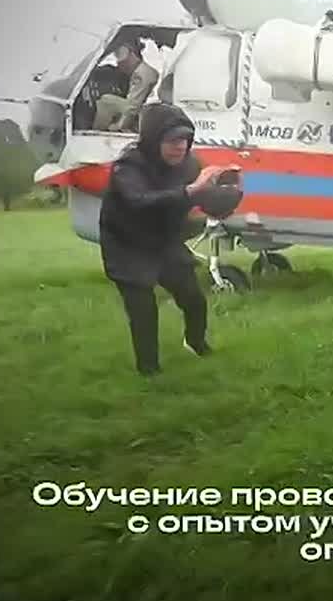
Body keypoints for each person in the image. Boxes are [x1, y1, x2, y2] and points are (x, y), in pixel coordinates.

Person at [99, 103, 241, 376]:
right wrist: (191, 190)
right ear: (153, 139)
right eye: (172, 139)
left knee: (194, 299)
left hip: (164, 241)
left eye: (186, 139)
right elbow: (139, 202)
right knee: (143, 311)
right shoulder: (128, 166)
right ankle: (149, 371)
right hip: (126, 245)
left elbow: (203, 199)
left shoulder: (189, 164)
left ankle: (196, 344)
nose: (180, 146)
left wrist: (228, 195)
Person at [93, 39, 160, 133]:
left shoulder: (141, 74)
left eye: (122, 60)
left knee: (106, 101)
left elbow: (133, 107)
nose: (119, 64)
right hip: (147, 112)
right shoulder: (142, 71)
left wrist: (119, 127)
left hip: (144, 115)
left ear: (132, 56)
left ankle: (96, 131)